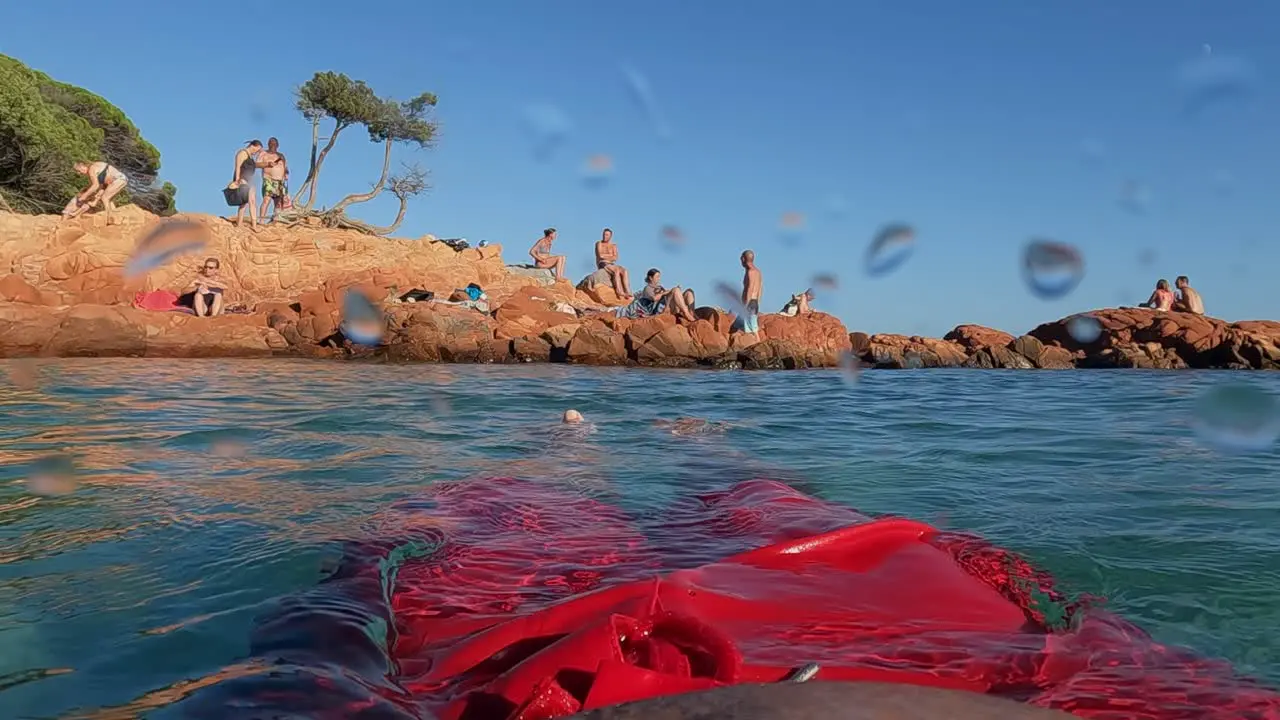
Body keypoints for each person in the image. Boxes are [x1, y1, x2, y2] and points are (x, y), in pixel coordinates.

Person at [229, 140, 276, 232]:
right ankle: (252, 225)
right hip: (243, 179)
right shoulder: (242, 153)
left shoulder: (250, 156)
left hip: (249, 179)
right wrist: (237, 180)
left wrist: (267, 164)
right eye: (257, 150)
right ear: (252, 146)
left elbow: (255, 165)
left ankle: (241, 224)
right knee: (249, 201)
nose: (256, 152)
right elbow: (237, 167)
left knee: (247, 202)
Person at [615, 268, 695, 322]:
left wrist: (670, 291)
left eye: (659, 277)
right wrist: (667, 292)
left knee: (689, 292)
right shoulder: (648, 288)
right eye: (657, 277)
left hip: (669, 304)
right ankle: (686, 313)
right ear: (650, 278)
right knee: (675, 290)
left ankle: (691, 313)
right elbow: (654, 298)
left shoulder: (660, 287)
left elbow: (668, 293)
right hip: (660, 309)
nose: (659, 279)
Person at [62, 161, 128, 224]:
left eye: (79, 170)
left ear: (82, 166)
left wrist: (84, 195)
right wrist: (96, 196)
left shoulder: (91, 169)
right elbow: (101, 185)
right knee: (108, 200)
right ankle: (115, 217)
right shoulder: (95, 168)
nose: (79, 173)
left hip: (118, 179)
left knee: (105, 198)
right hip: (115, 181)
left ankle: (110, 217)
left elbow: (95, 185)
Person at [730, 249, 763, 334]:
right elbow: (760, 289)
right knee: (735, 326)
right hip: (754, 303)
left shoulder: (750, 272)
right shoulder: (758, 272)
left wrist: (744, 306)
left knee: (751, 330)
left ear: (743, 259)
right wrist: (757, 302)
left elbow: (750, 289)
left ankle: (757, 342)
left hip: (748, 304)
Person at [594, 228, 632, 297]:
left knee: (624, 271)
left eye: (607, 235)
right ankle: (618, 290)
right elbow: (600, 255)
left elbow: (616, 258)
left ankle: (627, 290)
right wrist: (611, 256)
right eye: (604, 234)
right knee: (616, 271)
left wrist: (607, 256)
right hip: (603, 263)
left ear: (610, 236)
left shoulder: (613, 246)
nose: (605, 236)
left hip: (611, 264)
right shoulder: (599, 243)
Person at [258, 137, 289, 221]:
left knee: (278, 202)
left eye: (274, 144)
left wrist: (286, 173)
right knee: (266, 200)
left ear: (277, 145)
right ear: (268, 144)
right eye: (271, 143)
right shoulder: (263, 153)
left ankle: (276, 219)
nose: (272, 145)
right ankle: (261, 220)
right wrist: (267, 164)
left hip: (280, 181)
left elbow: (285, 166)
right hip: (269, 179)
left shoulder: (281, 155)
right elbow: (257, 164)